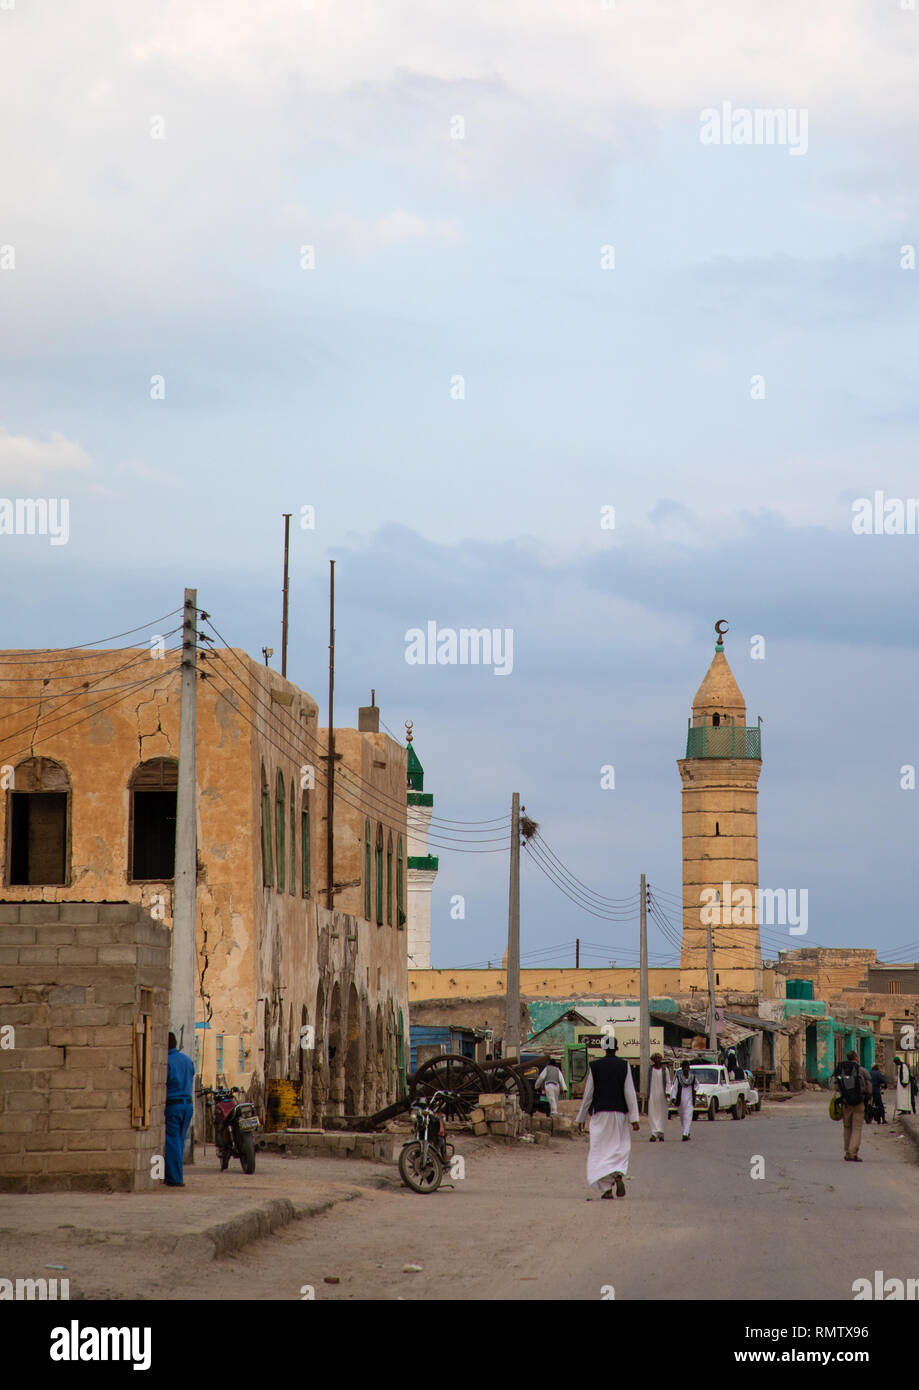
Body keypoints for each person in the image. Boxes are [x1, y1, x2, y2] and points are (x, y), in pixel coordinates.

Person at [576, 1034, 640, 1198]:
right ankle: (617, 1175)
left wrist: (581, 1118)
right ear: (617, 1048)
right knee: (618, 1148)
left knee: (600, 1150)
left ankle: (606, 1189)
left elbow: (588, 1094)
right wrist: (634, 1119)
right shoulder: (624, 1065)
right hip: (619, 1114)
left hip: (599, 1115)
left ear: (603, 1048)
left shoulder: (595, 1066)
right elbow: (629, 1093)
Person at [165, 1031, 195, 1188]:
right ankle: (175, 1173)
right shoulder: (187, 1060)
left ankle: (175, 1178)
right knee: (179, 1141)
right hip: (187, 1105)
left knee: (171, 1141)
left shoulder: (166, 1062)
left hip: (173, 1105)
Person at [834, 1051, 872, 1161]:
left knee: (847, 1127)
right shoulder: (862, 1070)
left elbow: (836, 1088)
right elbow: (869, 1088)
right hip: (859, 1102)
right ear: (856, 1057)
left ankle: (847, 1151)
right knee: (857, 1128)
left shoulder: (841, 1070)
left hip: (845, 1103)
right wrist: (868, 1098)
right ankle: (852, 1152)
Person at [670, 1059, 697, 1140]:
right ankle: (686, 1131)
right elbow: (674, 1089)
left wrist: (695, 1091)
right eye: (684, 1067)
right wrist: (673, 1097)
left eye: (687, 1067)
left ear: (689, 1068)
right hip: (681, 1101)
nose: (685, 1068)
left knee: (688, 1116)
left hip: (690, 1100)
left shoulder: (693, 1077)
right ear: (682, 1068)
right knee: (682, 1117)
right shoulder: (678, 1078)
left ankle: (685, 1134)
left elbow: (697, 1085)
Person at [647, 1052, 671, 1141]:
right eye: (655, 1058)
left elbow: (668, 1081)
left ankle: (661, 1132)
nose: (657, 1060)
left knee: (662, 1113)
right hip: (653, 1094)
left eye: (658, 1058)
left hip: (662, 1094)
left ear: (661, 1059)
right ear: (653, 1060)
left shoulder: (665, 1070)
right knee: (652, 1113)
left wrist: (668, 1092)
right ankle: (654, 1133)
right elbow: (648, 1082)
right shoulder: (650, 1069)